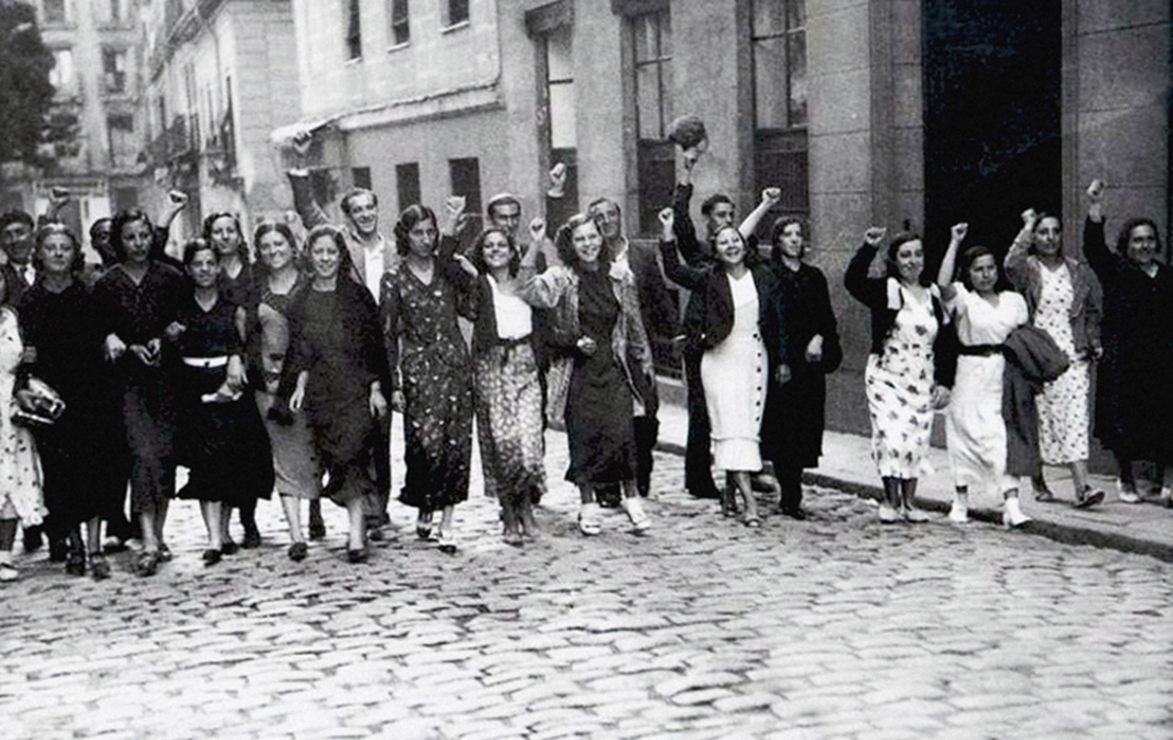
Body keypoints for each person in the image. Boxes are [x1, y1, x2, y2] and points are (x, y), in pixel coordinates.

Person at [287, 132, 394, 539]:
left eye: (370, 208)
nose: (365, 215)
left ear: (377, 210)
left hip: (386, 349)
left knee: (379, 434)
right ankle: (343, 508)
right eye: (357, 210)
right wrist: (302, 163)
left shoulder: (393, 249)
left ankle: (377, 508)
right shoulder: (338, 245)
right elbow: (308, 210)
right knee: (339, 433)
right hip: (347, 353)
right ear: (347, 216)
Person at [519, 213, 655, 536]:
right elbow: (527, 289)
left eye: (593, 237)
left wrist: (644, 358)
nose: (588, 244)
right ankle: (587, 504)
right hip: (577, 371)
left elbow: (633, 321)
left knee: (623, 435)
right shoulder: (562, 277)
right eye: (580, 239)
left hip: (614, 365)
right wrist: (536, 244)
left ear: (601, 238)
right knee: (584, 437)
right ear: (571, 243)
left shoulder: (621, 276)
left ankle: (632, 500)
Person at [659, 208, 781, 526]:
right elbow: (673, 269)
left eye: (735, 240)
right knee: (731, 428)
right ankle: (750, 504)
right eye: (723, 242)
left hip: (754, 359)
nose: (731, 246)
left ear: (745, 244)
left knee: (745, 430)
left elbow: (776, 322)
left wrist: (780, 359)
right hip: (720, 362)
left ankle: (729, 492)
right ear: (715, 250)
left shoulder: (763, 276)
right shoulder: (710, 277)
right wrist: (668, 232)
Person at [17, 225, 120, 579]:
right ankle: (74, 544)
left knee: (94, 471)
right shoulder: (29, 302)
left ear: (74, 253)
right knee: (61, 475)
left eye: (64, 247)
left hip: (90, 394)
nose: (58, 253)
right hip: (51, 399)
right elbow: (23, 354)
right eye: (50, 247)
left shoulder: (89, 294)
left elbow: (106, 334)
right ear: (40, 254)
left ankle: (94, 547)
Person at [286, 225, 389, 563]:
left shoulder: (358, 297)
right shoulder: (300, 298)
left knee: (352, 455)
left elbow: (374, 347)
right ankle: (352, 522)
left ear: (341, 255)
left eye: (332, 252)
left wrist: (376, 388)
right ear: (310, 257)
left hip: (357, 389)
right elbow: (299, 350)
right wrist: (299, 386)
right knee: (335, 458)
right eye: (319, 252)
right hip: (321, 393)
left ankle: (357, 533)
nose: (326, 258)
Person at [168, 239, 274, 566]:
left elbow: (245, 343)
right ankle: (213, 537)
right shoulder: (180, 306)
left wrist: (236, 359)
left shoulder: (232, 306)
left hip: (228, 387)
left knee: (227, 460)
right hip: (193, 388)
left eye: (209, 263)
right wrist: (171, 337)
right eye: (197, 264)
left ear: (218, 267)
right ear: (188, 269)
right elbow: (169, 347)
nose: (204, 270)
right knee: (204, 463)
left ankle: (226, 530)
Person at [91, 209, 185, 575]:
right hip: (127, 383)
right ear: (119, 241)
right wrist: (117, 342)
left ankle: (157, 535)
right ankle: (146, 538)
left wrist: (168, 336)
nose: (138, 244)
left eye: (144, 236)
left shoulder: (171, 277)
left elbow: (185, 319)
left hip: (167, 381)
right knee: (141, 455)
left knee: (163, 458)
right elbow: (98, 329)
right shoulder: (107, 283)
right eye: (130, 237)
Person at [381, 203, 474, 553]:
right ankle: (425, 502)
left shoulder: (447, 271)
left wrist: (471, 275)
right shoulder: (394, 278)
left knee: (456, 446)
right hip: (419, 370)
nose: (425, 239)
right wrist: (395, 383)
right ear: (405, 236)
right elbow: (388, 333)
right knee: (425, 445)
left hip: (454, 366)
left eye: (430, 232)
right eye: (417, 232)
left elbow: (473, 309)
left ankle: (448, 521)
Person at [846, 227, 951, 523]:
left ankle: (910, 502)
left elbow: (945, 340)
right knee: (891, 437)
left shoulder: (932, 294)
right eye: (905, 255)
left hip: (922, 377)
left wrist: (944, 381)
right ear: (894, 260)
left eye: (917, 254)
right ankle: (890, 500)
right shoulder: (886, 289)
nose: (912, 261)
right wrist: (868, 248)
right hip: (887, 375)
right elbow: (852, 282)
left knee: (916, 438)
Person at [1005, 209, 1105, 509]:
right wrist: (1025, 227)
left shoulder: (1077, 270)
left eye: (1055, 232)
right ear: (1035, 237)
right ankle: (1038, 479)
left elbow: (1091, 309)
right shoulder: (1029, 268)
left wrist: (1093, 340)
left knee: (1074, 417)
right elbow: (1010, 263)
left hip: (1073, 353)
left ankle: (1082, 487)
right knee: (1042, 417)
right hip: (1039, 352)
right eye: (1043, 232)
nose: (1050, 238)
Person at [935, 223, 1033, 527]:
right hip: (969, 371)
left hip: (1002, 372)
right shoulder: (964, 298)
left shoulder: (1014, 302)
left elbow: (1025, 338)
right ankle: (961, 500)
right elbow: (942, 285)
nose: (986, 274)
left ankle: (1012, 505)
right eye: (979, 269)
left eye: (990, 268)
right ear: (969, 273)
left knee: (1001, 438)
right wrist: (954, 242)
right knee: (963, 435)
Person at [1083, 180, 1173, 506]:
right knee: (1124, 420)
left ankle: (1166, 481)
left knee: (1166, 416)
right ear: (1128, 244)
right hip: (1125, 357)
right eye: (1137, 240)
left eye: (1149, 240)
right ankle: (1126, 477)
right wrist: (1094, 205)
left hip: (1162, 358)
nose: (1144, 246)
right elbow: (1093, 248)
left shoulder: (1167, 275)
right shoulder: (1117, 270)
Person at [458, 226, 546, 544]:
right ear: (482, 254)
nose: (495, 250)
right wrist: (471, 277)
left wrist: (535, 241)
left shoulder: (524, 282)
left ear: (512, 251)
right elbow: (464, 299)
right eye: (488, 247)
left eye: (501, 245)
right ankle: (512, 514)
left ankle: (525, 508)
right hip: (491, 366)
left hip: (525, 364)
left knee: (530, 448)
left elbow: (532, 272)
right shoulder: (481, 285)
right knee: (503, 446)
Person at [588, 197, 678, 503]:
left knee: (647, 415)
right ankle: (608, 486)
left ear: (620, 217)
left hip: (640, 349)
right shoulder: (590, 255)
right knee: (608, 420)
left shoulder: (640, 252)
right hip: (604, 350)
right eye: (598, 217)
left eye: (610, 214)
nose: (606, 221)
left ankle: (641, 475)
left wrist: (675, 334)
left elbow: (658, 295)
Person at [758, 216, 842, 520]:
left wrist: (819, 338)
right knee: (783, 429)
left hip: (809, 363)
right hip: (782, 362)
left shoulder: (814, 276)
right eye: (787, 234)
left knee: (804, 427)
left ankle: (793, 488)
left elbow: (827, 317)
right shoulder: (769, 275)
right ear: (777, 240)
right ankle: (790, 495)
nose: (794, 239)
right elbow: (769, 320)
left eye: (798, 234)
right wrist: (780, 359)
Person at [250, 221, 325, 560]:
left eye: (279, 244)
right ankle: (296, 534)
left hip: (312, 379)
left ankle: (315, 506)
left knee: (315, 449)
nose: (273, 251)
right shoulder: (255, 290)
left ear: (292, 246)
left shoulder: (311, 286)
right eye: (266, 246)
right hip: (270, 382)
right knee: (283, 455)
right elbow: (247, 336)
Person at [201, 212, 264, 549]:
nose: (225, 236)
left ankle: (248, 518)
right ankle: (226, 519)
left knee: (252, 446)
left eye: (230, 230)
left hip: (256, 363)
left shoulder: (255, 273)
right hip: (220, 367)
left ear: (240, 236)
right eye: (218, 231)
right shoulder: (206, 272)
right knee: (224, 445)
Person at [0, 266, 45, 581]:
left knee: (14, 477)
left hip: (10, 407)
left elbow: (27, 360)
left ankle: (3, 554)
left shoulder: (13, 317)